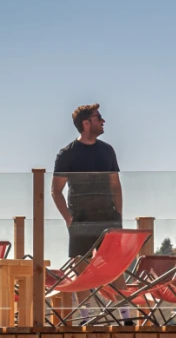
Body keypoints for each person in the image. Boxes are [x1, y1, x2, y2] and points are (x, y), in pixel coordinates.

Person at [52, 103, 123, 258]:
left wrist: (118, 215)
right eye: (98, 117)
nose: (103, 121)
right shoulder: (67, 154)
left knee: (113, 265)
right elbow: (56, 191)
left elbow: (115, 186)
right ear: (86, 123)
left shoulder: (107, 150)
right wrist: (69, 220)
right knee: (80, 265)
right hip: (81, 220)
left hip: (108, 219)